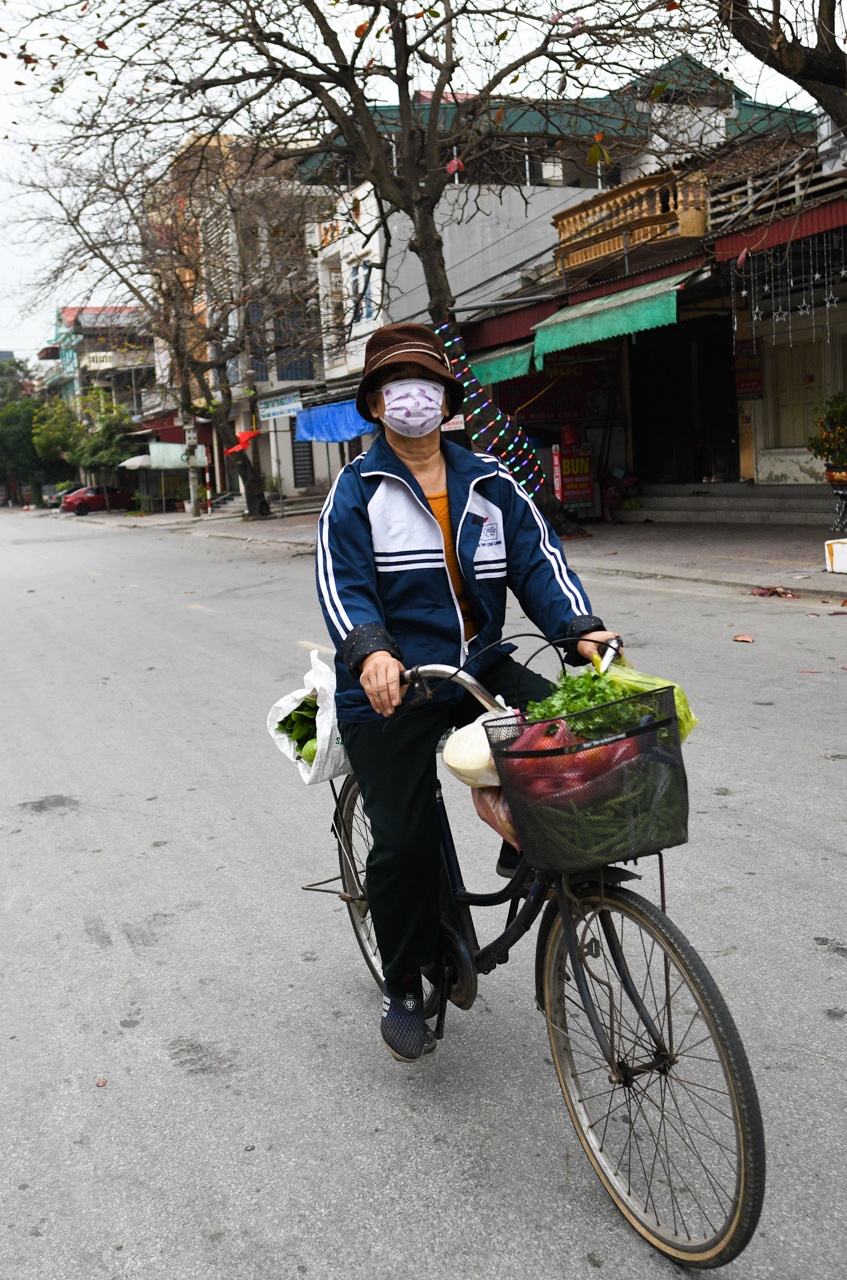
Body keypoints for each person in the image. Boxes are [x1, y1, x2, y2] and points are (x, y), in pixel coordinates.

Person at [315, 322, 620, 1062]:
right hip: (392, 688)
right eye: (397, 387)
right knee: (405, 840)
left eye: (426, 385)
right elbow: (344, 587)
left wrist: (580, 628)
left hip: (477, 667)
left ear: (447, 400)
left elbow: (538, 564)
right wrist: (370, 653)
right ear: (375, 404)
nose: (413, 398)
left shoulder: (489, 481)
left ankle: (529, 848)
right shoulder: (356, 493)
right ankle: (402, 984)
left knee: (575, 730)